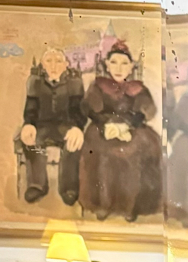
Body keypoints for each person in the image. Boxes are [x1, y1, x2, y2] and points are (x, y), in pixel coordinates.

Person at [79, 41, 163, 222]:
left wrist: (127, 125)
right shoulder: (99, 85)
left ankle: (129, 206)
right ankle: (103, 203)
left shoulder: (137, 88)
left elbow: (145, 111)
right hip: (103, 126)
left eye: (124, 63)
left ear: (131, 67)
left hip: (131, 128)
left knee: (132, 152)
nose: (119, 68)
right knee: (101, 151)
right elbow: (90, 110)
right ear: (107, 65)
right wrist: (107, 124)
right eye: (114, 62)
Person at [18, 47, 85, 206]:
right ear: (42, 64)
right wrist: (29, 124)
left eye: (58, 61)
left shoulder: (74, 83)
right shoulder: (35, 82)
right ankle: (37, 184)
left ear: (66, 64)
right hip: (43, 126)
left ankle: (68, 188)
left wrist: (77, 127)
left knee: (73, 145)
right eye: (49, 61)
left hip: (66, 126)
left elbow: (78, 110)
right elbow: (31, 108)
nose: (54, 66)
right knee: (31, 142)